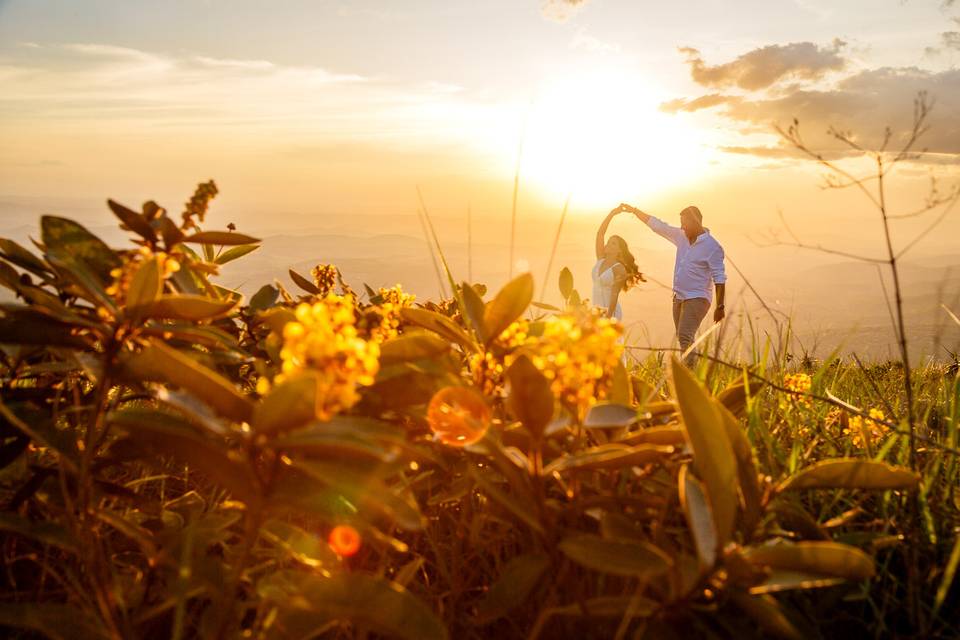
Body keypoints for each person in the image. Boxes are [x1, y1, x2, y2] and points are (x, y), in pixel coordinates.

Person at [618, 203, 726, 366]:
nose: (682, 227)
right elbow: (658, 226)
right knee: (685, 337)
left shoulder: (712, 247)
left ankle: (689, 376)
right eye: (681, 223)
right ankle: (692, 370)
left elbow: (719, 278)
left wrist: (720, 306)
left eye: (685, 223)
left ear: (697, 222)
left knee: (684, 335)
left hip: (698, 297)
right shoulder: (681, 236)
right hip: (679, 296)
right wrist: (634, 211)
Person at [592, 207, 643, 321]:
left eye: (613, 244)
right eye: (609, 242)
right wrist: (612, 213)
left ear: (619, 251)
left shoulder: (619, 269)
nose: (608, 244)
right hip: (596, 310)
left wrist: (608, 317)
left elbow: (614, 295)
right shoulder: (600, 260)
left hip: (610, 313)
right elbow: (600, 233)